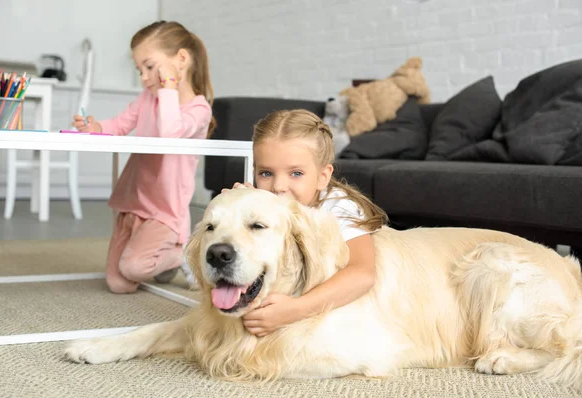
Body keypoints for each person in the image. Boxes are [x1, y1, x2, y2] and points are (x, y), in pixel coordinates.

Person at [71, 21, 215, 294]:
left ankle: (185, 253)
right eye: (140, 70)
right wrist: (95, 127)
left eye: (149, 67)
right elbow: (119, 124)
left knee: (134, 268)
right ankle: (163, 261)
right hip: (134, 201)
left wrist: (168, 87)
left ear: (180, 60)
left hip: (164, 210)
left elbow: (170, 132)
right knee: (119, 283)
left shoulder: (198, 109)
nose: (144, 77)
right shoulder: (146, 99)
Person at [227, 109, 387, 337]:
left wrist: (295, 310)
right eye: (266, 173)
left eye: (296, 173)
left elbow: (363, 274)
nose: (278, 186)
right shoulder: (267, 205)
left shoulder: (337, 208)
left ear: (323, 176)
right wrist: (238, 209)